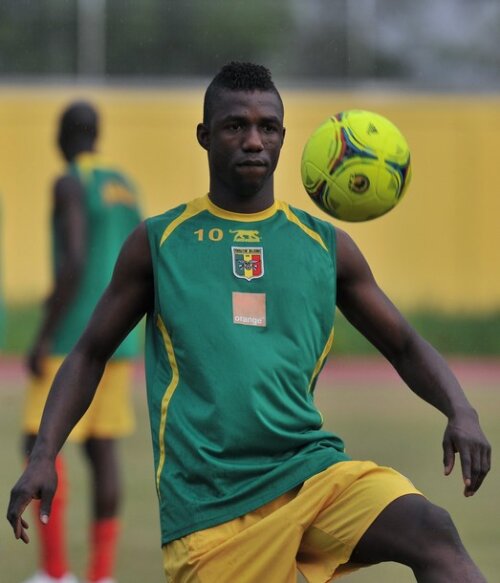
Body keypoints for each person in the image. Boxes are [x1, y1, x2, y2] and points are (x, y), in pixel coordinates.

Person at [8, 63, 490, 583]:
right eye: (236, 126)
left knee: (431, 529)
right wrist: (43, 454)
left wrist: (459, 409)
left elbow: (403, 344)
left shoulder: (325, 247)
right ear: (205, 136)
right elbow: (88, 353)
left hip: (310, 473)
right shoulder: (160, 243)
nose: (254, 141)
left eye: (269, 128)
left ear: (284, 138)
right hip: (210, 513)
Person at [20, 101, 142, 583]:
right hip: (119, 335)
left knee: (38, 443)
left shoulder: (70, 181)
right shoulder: (124, 185)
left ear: (64, 135)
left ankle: (53, 573)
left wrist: (44, 333)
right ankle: (101, 576)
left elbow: (73, 260)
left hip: (73, 339)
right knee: (102, 448)